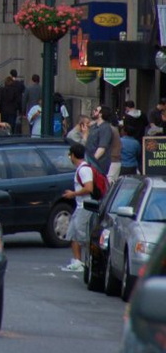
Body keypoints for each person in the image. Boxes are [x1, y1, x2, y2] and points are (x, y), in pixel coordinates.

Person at [62, 142, 95, 272]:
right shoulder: (81, 169)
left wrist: (73, 194)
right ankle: (77, 260)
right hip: (80, 206)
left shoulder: (84, 170)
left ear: (74, 155)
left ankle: (86, 261)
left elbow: (89, 188)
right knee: (74, 233)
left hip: (85, 207)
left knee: (82, 235)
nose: (69, 157)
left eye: (70, 155)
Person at [85, 105, 113, 174]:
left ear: (101, 114)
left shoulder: (105, 128)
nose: (94, 111)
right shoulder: (94, 126)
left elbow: (102, 148)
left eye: (96, 110)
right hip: (89, 160)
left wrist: (91, 162)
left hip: (98, 164)